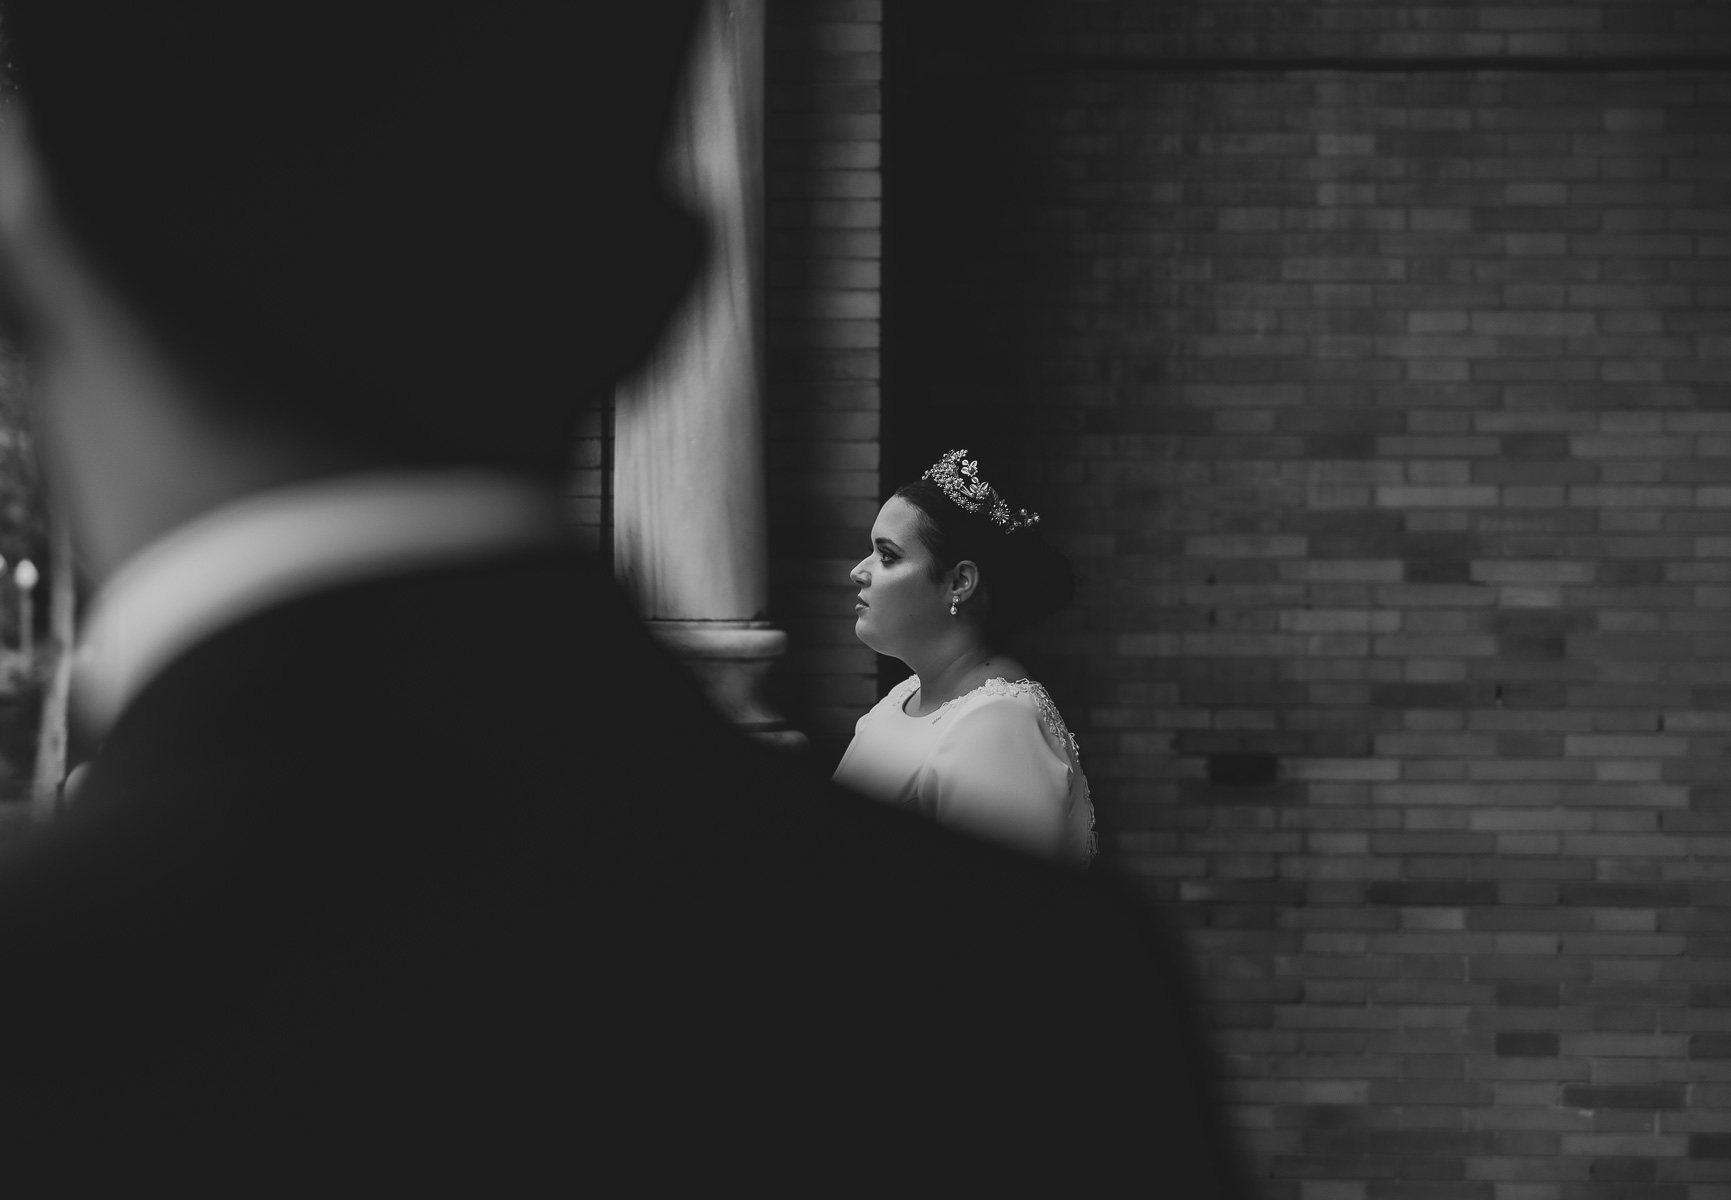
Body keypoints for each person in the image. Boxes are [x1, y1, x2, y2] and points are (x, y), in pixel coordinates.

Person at [0, 3, 1250, 1192]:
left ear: (37, 255)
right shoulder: (1064, 985)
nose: (861, 573)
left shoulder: (50, 1016)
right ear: (657, 285)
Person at [837, 449, 1097, 865]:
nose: (859, 571)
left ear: (959, 582)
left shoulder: (997, 725)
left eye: (887, 555)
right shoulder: (903, 697)